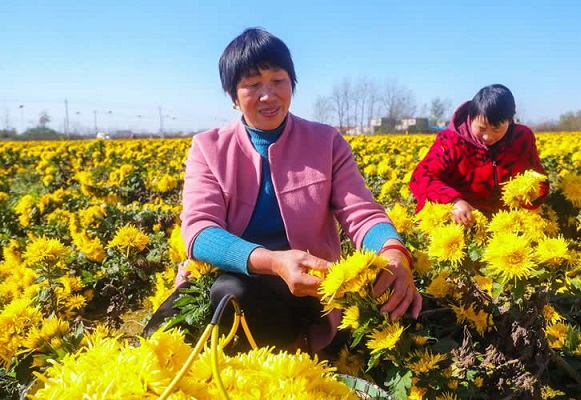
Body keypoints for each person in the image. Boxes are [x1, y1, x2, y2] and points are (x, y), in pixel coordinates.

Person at [176, 27, 422, 355]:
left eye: (278, 80)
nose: (269, 95)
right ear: (233, 96)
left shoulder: (325, 142)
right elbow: (199, 232)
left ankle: (297, 347)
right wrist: (273, 261)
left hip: (312, 288)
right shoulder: (208, 148)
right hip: (226, 279)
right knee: (165, 337)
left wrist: (394, 253)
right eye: (252, 85)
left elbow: (361, 213)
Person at [409, 84, 550, 226]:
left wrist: (534, 194)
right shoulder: (449, 141)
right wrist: (453, 201)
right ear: (471, 118)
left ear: (510, 120)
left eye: (496, 130)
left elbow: (539, 177)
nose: (488, 137)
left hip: (511, 228)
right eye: (481, 128)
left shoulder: (522, 138)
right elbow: (421, 178)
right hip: (462, 226)